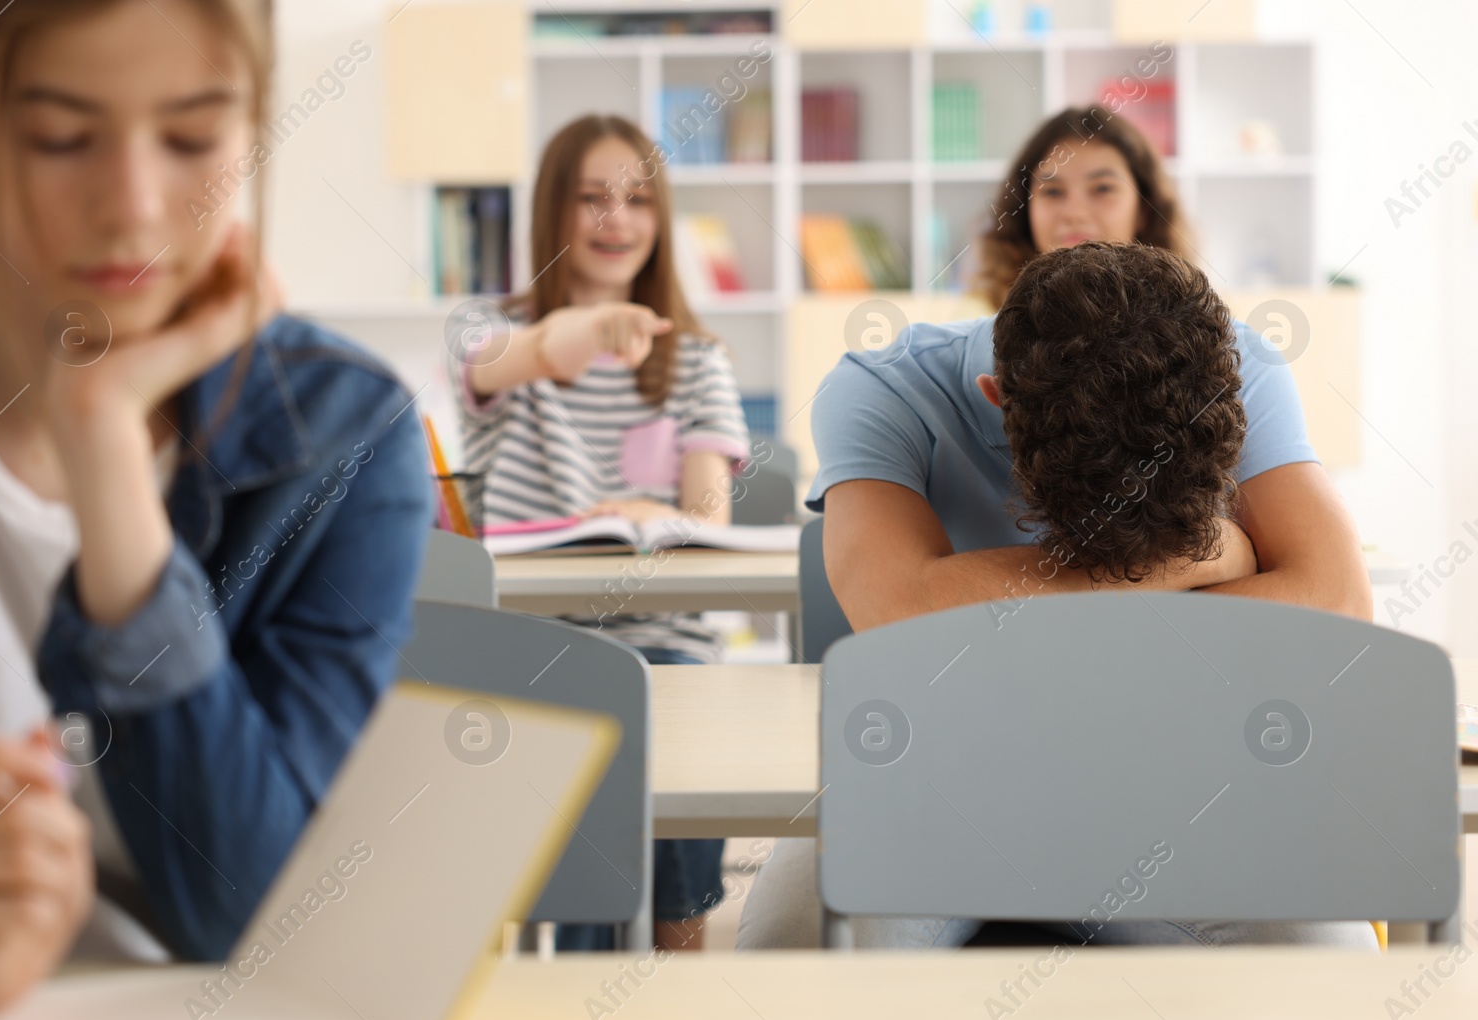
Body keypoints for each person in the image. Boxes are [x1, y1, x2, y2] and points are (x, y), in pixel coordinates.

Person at [0, 0, 432, 1011]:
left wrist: (101, 442)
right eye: (61, 137)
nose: (132, 207)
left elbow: (258, 912)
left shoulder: (346, 434)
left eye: (191, 136)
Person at [736, 241, 1375, 950]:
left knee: (1330, 959)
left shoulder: (1236, 364)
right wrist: (1215, 551)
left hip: (1175, 774)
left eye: (1161, 551)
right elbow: (901, 612)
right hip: (934, 772)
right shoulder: (882, 387)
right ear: (998, 401)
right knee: (796, 951)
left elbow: (1338, 601)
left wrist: (1006, 604)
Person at [452, 114, 752, 952]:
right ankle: (584, 981)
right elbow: (512, 358)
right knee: (586, 727)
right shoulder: (487, 334)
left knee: (661, 710)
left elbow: (709, 520)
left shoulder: (696, 358)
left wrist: (666, 518)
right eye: (591, 199)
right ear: (551, 212)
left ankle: (674, 951)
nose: (616, 219)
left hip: (665, 640)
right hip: (536, 642)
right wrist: (578, 335)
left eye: (637, 201)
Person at [971, 105, 1191, 311]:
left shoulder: (1194, 320)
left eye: (1103, 189)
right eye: (1052, 191)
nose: (1074, 214)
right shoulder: (977, 319)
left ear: (1144, 210)